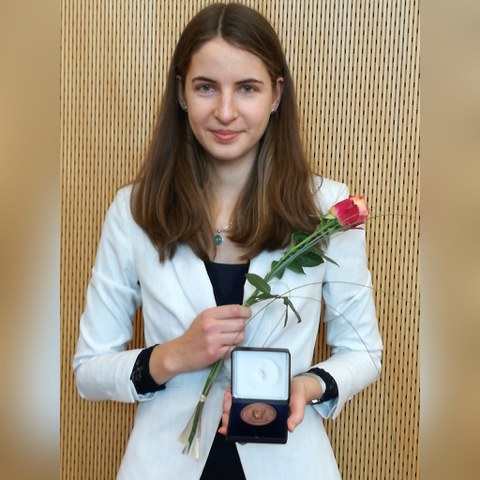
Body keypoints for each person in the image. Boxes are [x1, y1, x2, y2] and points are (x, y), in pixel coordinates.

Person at [73, 3, 383, 479]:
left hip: (290, 461)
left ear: (276, 94)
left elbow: (364, 353)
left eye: (247, 89)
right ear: (181, 92)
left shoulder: (325, 209)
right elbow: (89, 371)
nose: (224, 111)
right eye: (205, 87)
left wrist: (305, 386)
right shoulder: (132, 211)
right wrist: (174, 354)